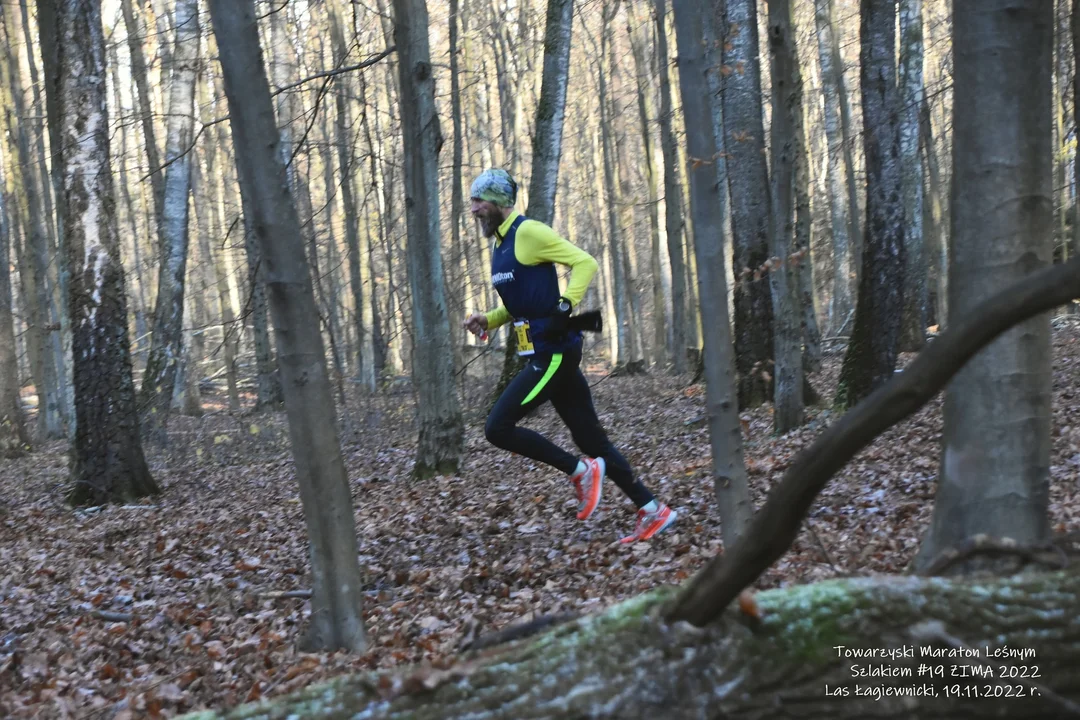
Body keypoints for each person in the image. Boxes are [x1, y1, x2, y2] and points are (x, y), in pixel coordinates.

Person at [462, 169, 677, 543]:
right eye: (472, 202)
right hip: (544, 350)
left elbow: (586, 262)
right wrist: (490, 319)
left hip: (554, 352)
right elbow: (523, 304)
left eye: (479, 201)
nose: (474, 210)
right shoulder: (499, 244)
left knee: (497, 428)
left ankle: (579, 472)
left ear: (499, 203)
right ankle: (653, 510)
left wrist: (567, 302)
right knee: (594, 442)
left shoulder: (527, 232)